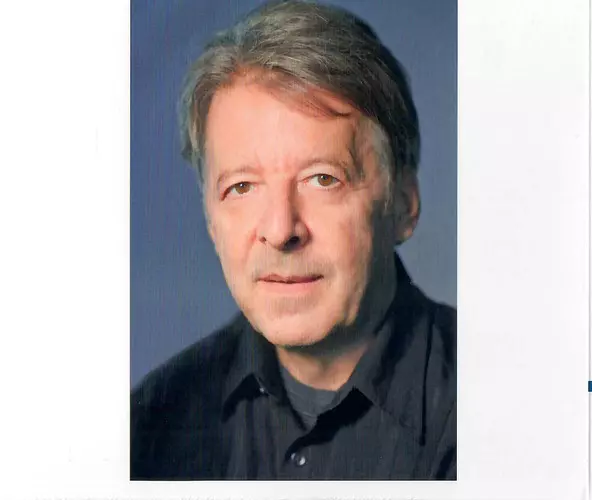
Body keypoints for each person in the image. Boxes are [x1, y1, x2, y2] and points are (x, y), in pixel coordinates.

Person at [131, 0, 456, 480]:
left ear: (403, 205)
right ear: (211, 221)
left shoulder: (501, 410)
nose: (282, 230)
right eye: (242, 187)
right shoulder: (148, 429)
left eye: (323, 179)